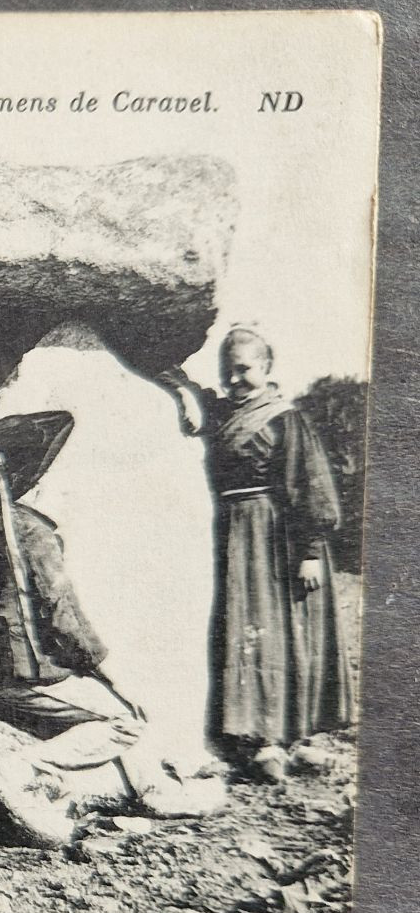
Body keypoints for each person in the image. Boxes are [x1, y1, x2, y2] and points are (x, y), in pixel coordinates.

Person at [0, 411, 222, 849]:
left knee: (104, 701)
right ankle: (19, 769)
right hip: (17, 668)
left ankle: (151, 790)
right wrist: (112, 673)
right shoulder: (30, 531)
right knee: (125, 719)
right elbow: (61, 615)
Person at [160, 327, 352, 773]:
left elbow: (313, 485)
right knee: (249, 628)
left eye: (244, 368)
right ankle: (260, 740)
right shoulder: (222, 411)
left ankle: (299, 737)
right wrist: (179, 384)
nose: (235, 377)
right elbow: (184, 386)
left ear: (266, 367)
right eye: (229, 368)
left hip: (280, 534)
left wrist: (310, 550)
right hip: (233, 531)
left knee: (291, 630)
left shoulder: (286, 419)